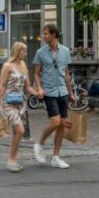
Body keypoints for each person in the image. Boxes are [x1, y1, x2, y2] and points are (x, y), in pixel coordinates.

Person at [32, 24, 77, 169]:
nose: (43, 36)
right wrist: (39, 88)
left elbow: (66, 74)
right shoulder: (40, 52)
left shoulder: (65, 51)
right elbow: (37, 74)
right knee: (56, 122)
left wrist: (71, 94)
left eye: (45, 34)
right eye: (43, 33)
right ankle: (39, 144)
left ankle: (56, 157)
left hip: (62, 91)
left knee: (62, 125)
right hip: (49, 92)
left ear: (54, 35)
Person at [0, 42, 40, 172]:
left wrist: (38, 94)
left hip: (20, 103)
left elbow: (28, 86)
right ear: (17, 51)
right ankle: (11, 160)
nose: (26, 53)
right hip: (8, 102)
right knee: (20, 130)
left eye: (26, 51)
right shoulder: (7, 66)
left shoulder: (24, 66)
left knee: (16, 132)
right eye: (23, 51)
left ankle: (12, 159)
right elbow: (2, 85)